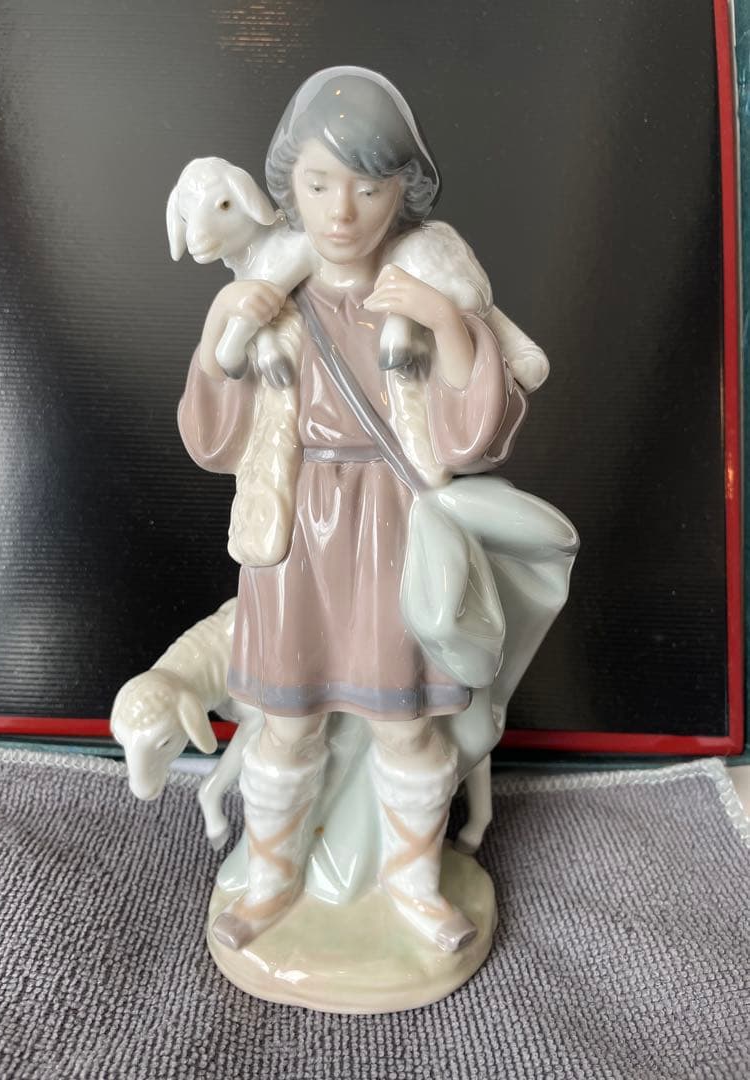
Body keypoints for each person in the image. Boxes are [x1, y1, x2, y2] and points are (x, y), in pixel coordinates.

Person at [177, 67, 528, 953]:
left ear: (403, 193)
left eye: (368, 188)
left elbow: (473, 436)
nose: (341, 212)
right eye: (318, 184)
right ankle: (272, 881)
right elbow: (213, 440)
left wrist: (448, 325)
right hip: (294, 527)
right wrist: (221, 340)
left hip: (392, 526)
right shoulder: (268, 299)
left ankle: (413, 885)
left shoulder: (419, 290)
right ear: (287, 188)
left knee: (405, 725)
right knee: (285, 723)